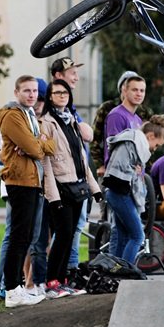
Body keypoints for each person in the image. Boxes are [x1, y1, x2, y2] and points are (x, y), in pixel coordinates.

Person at [40, 79, 103, 298]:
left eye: (65, 92)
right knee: (63, 234)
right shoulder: (46, 123)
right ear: (49, 97)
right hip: (60, 188)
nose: (62, 95)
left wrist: (95, 188)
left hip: (78, 187)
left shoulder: (72, 122)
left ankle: (63, 281)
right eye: (57, 93)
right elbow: (46, 163)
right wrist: (53, 196)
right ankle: (51, 281)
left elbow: (81, 159)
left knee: (69, 237)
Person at [0, 75, 54, 307]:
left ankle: (18, 287)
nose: (32, 95)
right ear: (16, 92)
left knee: (29, 236)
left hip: (33, 180)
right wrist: (36, 143)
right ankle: (11, 289)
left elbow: (50, 146)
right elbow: (36, 148)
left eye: (34, 91)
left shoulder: (31, 116)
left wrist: (37, 143)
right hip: (19, 181)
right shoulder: (12, 115)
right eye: (26, 91)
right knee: (19, 237)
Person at [103, 115, 164, 264]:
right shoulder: (132, 143)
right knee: (138, 236)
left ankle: (115, 270)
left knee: (123, 235)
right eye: (156, 145)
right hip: (120, 194)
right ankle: (126, 271)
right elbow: (119, 171)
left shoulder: (134, 144)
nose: (154, 150)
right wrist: (134, 173)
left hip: (116, 193)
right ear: (150, 136)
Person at [50, 57, 94, 280]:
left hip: (79, 180)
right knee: (66, 232)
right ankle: (63, 274)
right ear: (58, 76)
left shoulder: (70, 110)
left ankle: (67, 275)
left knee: (74, 230)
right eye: (71, 72)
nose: (76, 76)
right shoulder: (51, 114)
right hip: (62, 183)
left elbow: (87, 136)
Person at [103, 71, 146, 255]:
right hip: (120, 182)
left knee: (123, 232)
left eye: (142, 90)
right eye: (134, 90)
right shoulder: (117, 115)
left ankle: (115, 273)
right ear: (124, 91)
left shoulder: (137, 119)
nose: (139, 94)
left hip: (134, 182)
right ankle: (119, 271)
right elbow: (113, 148)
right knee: (127, 234)